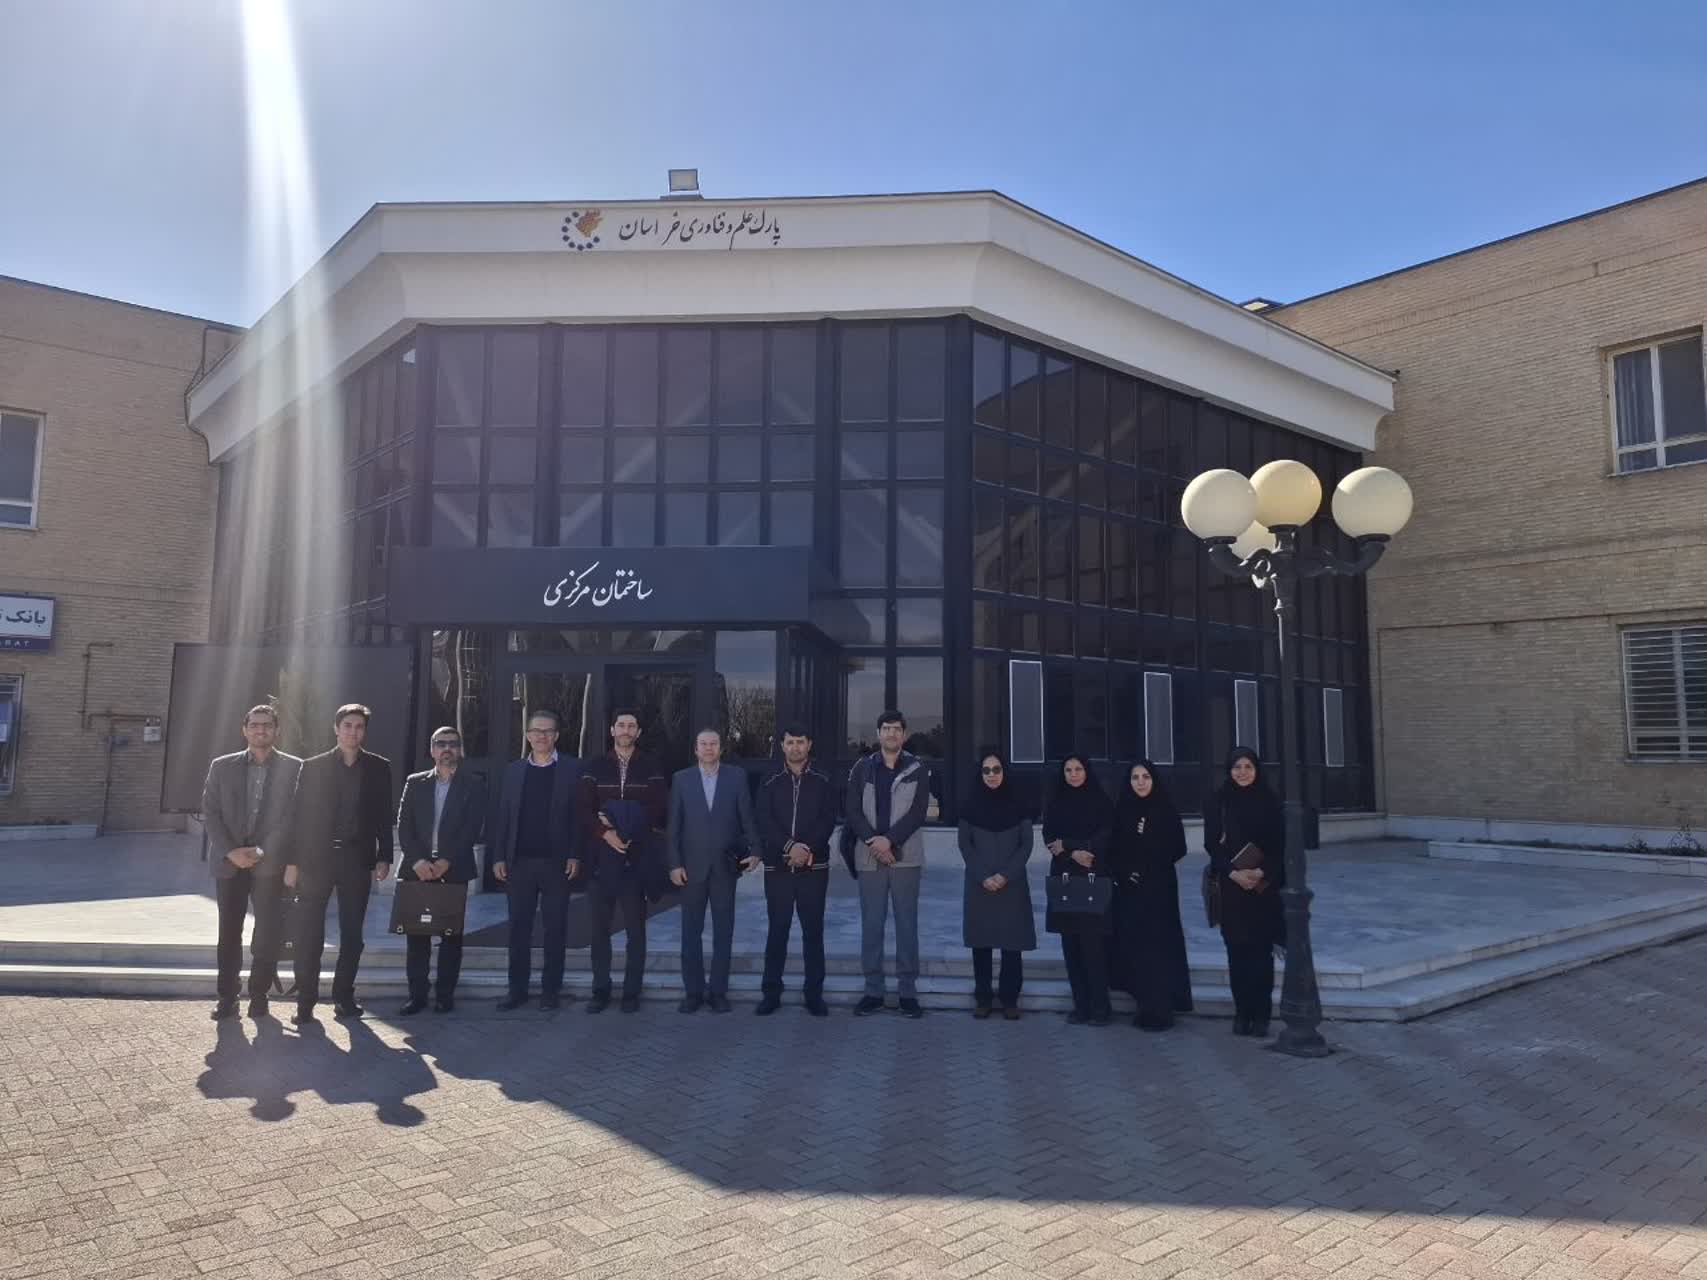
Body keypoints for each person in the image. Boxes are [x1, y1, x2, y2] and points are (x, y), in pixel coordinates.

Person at [284, 704, 395, 1025]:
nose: (353, 732)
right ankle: (305, 1002)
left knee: (352, 934)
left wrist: (385, 855)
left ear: (364, 731)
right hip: (315, 859)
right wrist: (292, 862)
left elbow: (383, 814)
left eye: (359, 726)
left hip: (356, 858)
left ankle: (344, 998)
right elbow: (296, 817)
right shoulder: (312, 767)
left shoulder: (378, 767)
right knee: (309, 934)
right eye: (347, 725)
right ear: (336, 728)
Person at [201, 704, 303, 1021]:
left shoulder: (294, 768)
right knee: (229, 932)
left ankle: (259, 996)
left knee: (267, 931)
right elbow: (211, 812)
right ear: (244, 729)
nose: (261, 730)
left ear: (277, 730)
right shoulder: (222, 766)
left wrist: (262, 851)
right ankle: (227, 997)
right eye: (255, 725)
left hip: (269, 863)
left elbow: (293, 817)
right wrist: (231, 851)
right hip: (229, 863)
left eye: (267, 725)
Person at [490, 709, 582, 1011]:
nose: (541, 736)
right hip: (519, 863)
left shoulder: (571, 769)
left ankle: (550, 991)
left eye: (547, 731)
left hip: (557, 863)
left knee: (555, 929)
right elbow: (503, 816)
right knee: (518, 928)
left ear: (556, 735)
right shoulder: (513, 771)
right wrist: (499, 856)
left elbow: (578, 817)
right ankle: (516, 990)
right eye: (536, 731)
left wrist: (575, 853)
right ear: (528, 735)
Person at [579, 708, 669, 1013]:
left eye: (632, 726)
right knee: (599, 932)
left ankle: (631, 992)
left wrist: (627, 829)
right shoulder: (594, 767)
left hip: (635, 860)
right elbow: (584, 809)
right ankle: (600, 991)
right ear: (612, 730)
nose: (626, 730)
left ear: (638, 732)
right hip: (601, 861)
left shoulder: (651, 767)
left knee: (635, 932)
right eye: (621, 725)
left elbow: (658, 809)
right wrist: (606, 833)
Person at [667, 728, 762, 1013]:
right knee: (690, 933)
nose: (708, 748)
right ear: (696, 749)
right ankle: (693, 992)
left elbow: (747, 816)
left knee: (724, 932)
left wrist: (756, 850)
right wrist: (674, 864)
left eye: (713, 744)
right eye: (703, 744)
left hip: (724, 867)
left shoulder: (737, 777)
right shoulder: (681, 779)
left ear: (721, 748)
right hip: (691, 868)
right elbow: (673, 827)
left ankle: (718, 991)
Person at [394, 726, 487, 1016]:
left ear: (460, 750)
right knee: (416, 937)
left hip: (454, 868)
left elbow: (472, 827)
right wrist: (418, 861)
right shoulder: (415, 782)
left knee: (451, 937)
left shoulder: (474, 784)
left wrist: (447, 859)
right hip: (417, 870)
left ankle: (445, 996)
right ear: (432, 750)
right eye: (441, 743)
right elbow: (404, 826)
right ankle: (417, 996)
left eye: (452, 744)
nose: (447, 748)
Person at [846, 710, 931, 1019]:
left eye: (897, 729)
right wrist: (874, 842)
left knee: (907, 925)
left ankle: (907, 992)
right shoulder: (862, 768)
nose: (891, 733)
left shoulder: (917, 768)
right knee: (872, 925)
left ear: (904, 735)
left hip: (905, 858)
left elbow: (919, 812)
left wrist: (890, 841)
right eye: (886, 728)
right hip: (870, 857)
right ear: (878, 733)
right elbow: (852, 811)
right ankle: (873, 992)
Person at [755, 724, 838, 1017]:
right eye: (790, 742)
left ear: (809, 744)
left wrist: (804, 850)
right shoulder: (769, 779)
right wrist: (790, 847)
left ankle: (814, 994)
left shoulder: (824, 779)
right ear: (782, 746)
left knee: (813, 931)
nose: (795, 747)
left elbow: (828, 819)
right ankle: (771, 993)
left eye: (800, 742)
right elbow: (764, 819)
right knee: (777, 930)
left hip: (813, 867)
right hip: (778, 866)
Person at [1205, 747, 1286, 1037]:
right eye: (1237, 767)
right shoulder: (1219, 801)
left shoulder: (1270, 801)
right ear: (1229, 770)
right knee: (1237, 954)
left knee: (1261, 955)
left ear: (1257, 770)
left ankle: (1261, 1015)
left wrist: (1261, 872)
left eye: (1248, 767)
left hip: (1263, 890)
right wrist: (1234, 873)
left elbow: (1279, 846)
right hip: (1232, 888)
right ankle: (1242, 1013)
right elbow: (1212, 845)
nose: (1242, 772)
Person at [1108, 759, 1191, 1031]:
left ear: (1154, 780)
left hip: (1159, 891)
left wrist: (1148, 846)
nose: (1141, 782)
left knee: (1160, 948)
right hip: (1131, 893)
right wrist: (1126, 872)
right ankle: (1144, 1004)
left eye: (1145, 777)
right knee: (1137, 948)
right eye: (1135, 777)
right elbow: (1114, 849)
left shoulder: (1165, 810)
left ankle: (1162, 1008)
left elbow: (1178, 848)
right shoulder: (1122, 810)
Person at [957, 748, 1036, 1021]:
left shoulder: (1019, 804)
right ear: (980, 775)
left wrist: (1005, 875)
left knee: (1012, 944)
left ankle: (1010, 999)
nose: (992, 775)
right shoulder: (969, 806)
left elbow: (1026, 845)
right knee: (981, 942)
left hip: (1011, 885)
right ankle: (983, 998)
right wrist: (983, 876)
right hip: (980, 885)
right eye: (986, 770)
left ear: (1005, 772)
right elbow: (965, 845)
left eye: (997, 769)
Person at [1042, 754, 1114, 1026]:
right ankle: (1081, 1007)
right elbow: (1050, 839)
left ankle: (1101, 1008)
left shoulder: (1101, 801)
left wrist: (1077, 847)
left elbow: (1108, 834)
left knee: (1093, 947)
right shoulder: (1055, 802)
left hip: (1093, 876)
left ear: (1087, 771)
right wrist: (1073, 853)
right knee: (1071, 945)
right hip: (1066, 879)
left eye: (1078, 769)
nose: (1073, 774)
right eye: (1068, 770)